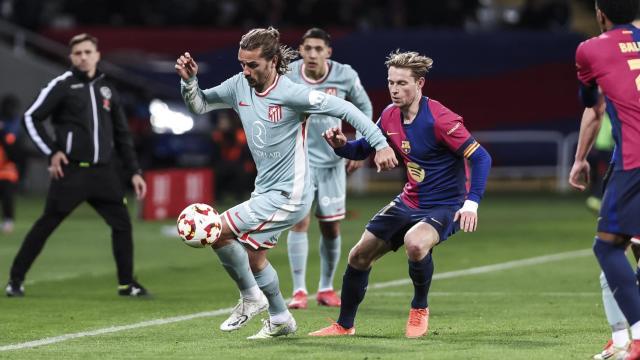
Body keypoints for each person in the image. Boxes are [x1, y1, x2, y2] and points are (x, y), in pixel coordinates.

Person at [175, 27, 396, 339]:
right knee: (255, 256)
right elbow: (199, 105)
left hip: (290, 195)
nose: (246, 70)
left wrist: (379, 144)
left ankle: (252, 298)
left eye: (253, 65)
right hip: (265, 190)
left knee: (215, 229)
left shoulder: (292, 93)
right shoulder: (239, 85)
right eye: (242, 63)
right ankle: (280, 317)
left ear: (273, 61)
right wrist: (189, 81)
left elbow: (345, 108)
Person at [309, 50, 492, 338]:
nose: (394, 89)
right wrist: (341, 145)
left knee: (416, 243)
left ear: (420, 84)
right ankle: (344, 326)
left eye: (402, 83)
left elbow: (481, 157)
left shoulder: (440, 119)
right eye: (391, 82)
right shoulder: (389, 115)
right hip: (409, 200)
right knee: (358, 256)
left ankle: (419, 307)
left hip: (446, 205)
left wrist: (472, 203)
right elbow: (363, 149)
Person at [5, 33, 149, 298]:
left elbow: (122, 135)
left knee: (122, 225)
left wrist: (134, 172)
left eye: (87, 52)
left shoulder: (107, 90)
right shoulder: (62, 85)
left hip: (105, 172)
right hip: (72, 172)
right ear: (71, 57)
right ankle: (15, 280)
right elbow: (31, 118)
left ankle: (127, 285)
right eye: (77, 53)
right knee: (47, 224)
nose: (83, 57)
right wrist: (52, 151)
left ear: (97, 55)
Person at [569, 0, 640, 358]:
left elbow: (591, 106)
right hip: (624, 163)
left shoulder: (591, 49)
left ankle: (636, 337)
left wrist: (579, 159)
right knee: (617, 254)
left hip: (634, 162)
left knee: (608, 246)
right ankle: (622, 340)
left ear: (600, 13)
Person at [284, 28, 372, 309]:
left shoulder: (345, 75)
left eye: (318, 49)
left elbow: (364, 108)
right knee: (300, 221)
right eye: (307, 48)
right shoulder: (288, 74)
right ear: (300, 49)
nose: (312, 54)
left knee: (331, 228)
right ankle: (298, 291)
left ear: (328, 52)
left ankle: (326, 288)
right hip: (299, 163)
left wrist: (361, 145)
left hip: (333, 163)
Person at [0, 95, 21, 233]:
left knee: (7, 196)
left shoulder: (13, 123)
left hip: (7, 168)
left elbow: (10, 140)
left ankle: (8, 221)